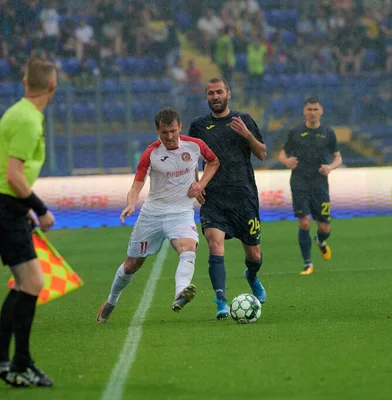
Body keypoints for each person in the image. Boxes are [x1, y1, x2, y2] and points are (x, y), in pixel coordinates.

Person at [96, 107, 220, 323]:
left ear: (180, 127)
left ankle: (181, 292)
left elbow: (214, 161)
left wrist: (200, 184)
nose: (170, 137)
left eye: (173, 131)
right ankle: (111, 300)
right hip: (152, 215)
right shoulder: (150, 154)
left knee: (188, 247)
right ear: (157, 130)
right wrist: (131, 204)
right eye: (164, 132)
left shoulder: (194, 145)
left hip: (181, 213)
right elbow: (136, 186)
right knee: (132, 265)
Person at [0, 56, 57, 388]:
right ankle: (19, 364)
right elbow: (13, 176)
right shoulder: (29, 119)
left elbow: (9, 174)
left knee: (27, 284)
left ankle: (1, 359)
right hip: (2, 206)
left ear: (25, 82)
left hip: (3, 205)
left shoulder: (17, 112)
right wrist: (40, 208)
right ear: (53, 87)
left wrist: (23, 206)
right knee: (32, 284)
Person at [188, 77, 268, 320]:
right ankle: (221, 301)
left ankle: (252, 276)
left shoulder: (243, 120)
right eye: (210, 93)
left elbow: (262, 153)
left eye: (219, 92)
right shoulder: (198, 126)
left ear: (228, 94)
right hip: (214, 198)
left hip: (244, 196)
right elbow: (190, 158)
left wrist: (247, 135)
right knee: (214, 243)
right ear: (206, 97)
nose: (215, 96)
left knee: (254, 255)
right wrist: (197, 182)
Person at [278, 97, 343, 275]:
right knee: (304, 222)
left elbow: (338, 157)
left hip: (320, 184)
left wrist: (330, 167)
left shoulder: (328, 133)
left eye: (315, 109)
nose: (312, 113)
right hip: (299, 182)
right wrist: (286, 160)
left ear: (321, 111)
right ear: (304, 111)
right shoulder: (296, 132)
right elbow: (282, 153)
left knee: (324, 228)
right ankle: (308, 264)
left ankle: (320, 241)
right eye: (309, 109)